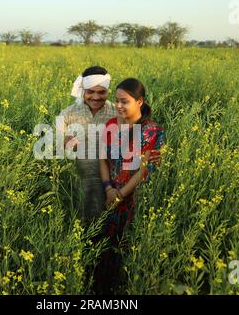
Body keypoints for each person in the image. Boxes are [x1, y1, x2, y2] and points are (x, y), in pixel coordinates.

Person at [57, 67, 162, 225]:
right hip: (81, 182)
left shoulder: (117, 111)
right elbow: (57, 144)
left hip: (115, 182)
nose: (96, 97)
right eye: (90, 92)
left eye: (102, 92)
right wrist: (64, 140)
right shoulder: (66, 114)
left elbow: (140, 130)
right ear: (83, 91)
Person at [94, 78, 165, 295]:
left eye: (124, 101)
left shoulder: (152, 131)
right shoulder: (111, 126)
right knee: (102, 252)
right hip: (107, 198)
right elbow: (102, 159)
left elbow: (145, 170)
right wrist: (108, 189)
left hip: (134, 202)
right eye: (116, 101)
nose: (118, 106)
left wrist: (120, 195)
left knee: (127, 253)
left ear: (140, 102)